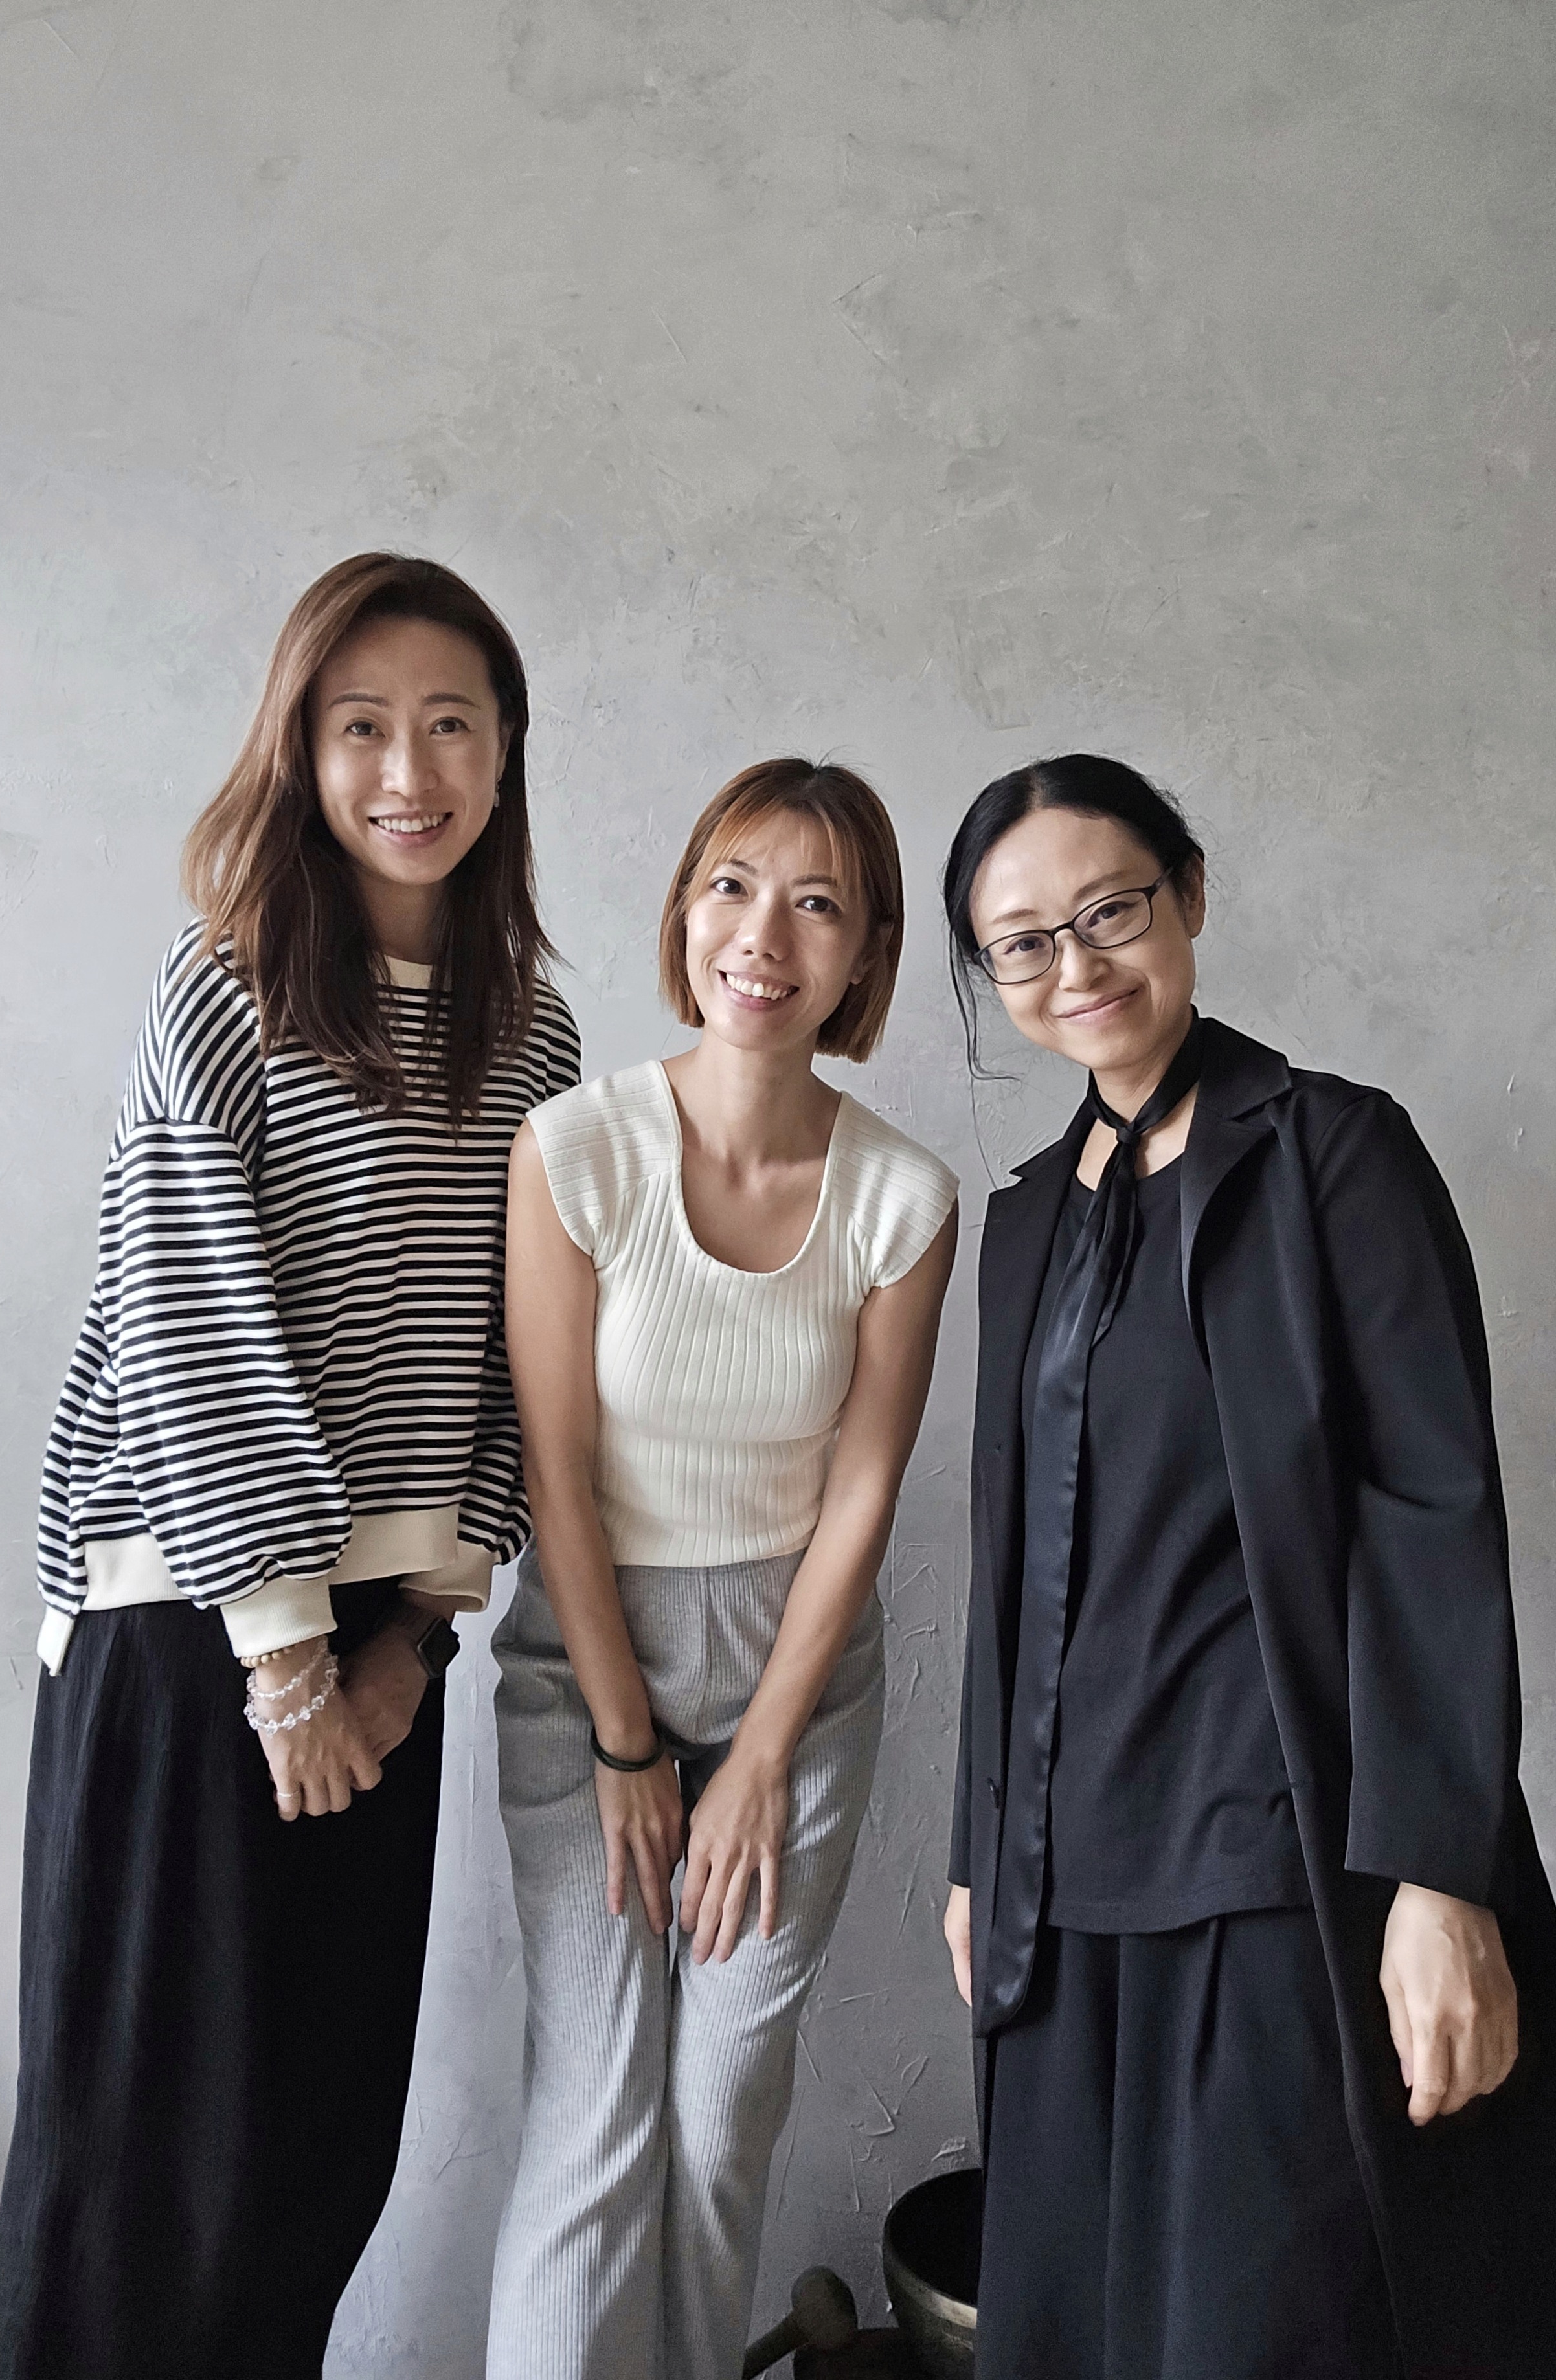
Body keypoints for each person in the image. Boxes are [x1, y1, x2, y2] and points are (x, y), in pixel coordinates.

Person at [940, 755, 1556, 2380]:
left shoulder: (1335, 1154)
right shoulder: (1025, 1221)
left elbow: (1433, 1513)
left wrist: (1442, 1872)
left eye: (1111, 910)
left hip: (1275, 1866)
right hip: (1060, 1891)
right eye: (1024, 943)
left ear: (1190, 896)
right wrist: (973, 1854)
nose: (1076, 966)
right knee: (1080, 2338)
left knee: (1270, 2333)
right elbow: (1012, 1560)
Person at [0, 553, 580, 2380]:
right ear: (299, 749)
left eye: (451, 724)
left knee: (306, 2157)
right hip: (195, 1634)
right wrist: (290, 1658)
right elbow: (186, 1315)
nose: (410, 770)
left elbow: (520, 1361)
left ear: (505, 751)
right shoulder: (225, 984)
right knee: (135, 2171)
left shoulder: (534, 1032)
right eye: (362, 726)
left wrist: (415, 1642)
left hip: (383, 1649)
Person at [486, 758, 959, 2380]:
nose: (765, 933)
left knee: (714, 2123)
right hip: (586, 1668)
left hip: (799, 1688)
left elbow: (864, 1488)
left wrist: (758, 1757)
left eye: (818, 903)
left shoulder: (901, 1196)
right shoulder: (577, 1148)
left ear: (865, 952)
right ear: (686, 907)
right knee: (596, 2118)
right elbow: (554, 1467)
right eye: (733, 885)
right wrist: (627, 1740)